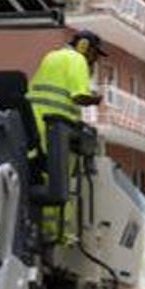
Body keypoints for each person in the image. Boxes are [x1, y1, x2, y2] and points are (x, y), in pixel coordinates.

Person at [27, 30, 106, 241]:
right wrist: (96, 99)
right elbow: (78, 96)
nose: (94, 60)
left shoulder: (51, 56)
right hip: (56, 129)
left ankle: (39, 231)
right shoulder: (77, 59)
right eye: (94, 54)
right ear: (83, 46)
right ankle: (56, 235)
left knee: (41, 176)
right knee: (59, 181)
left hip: (35, 124)